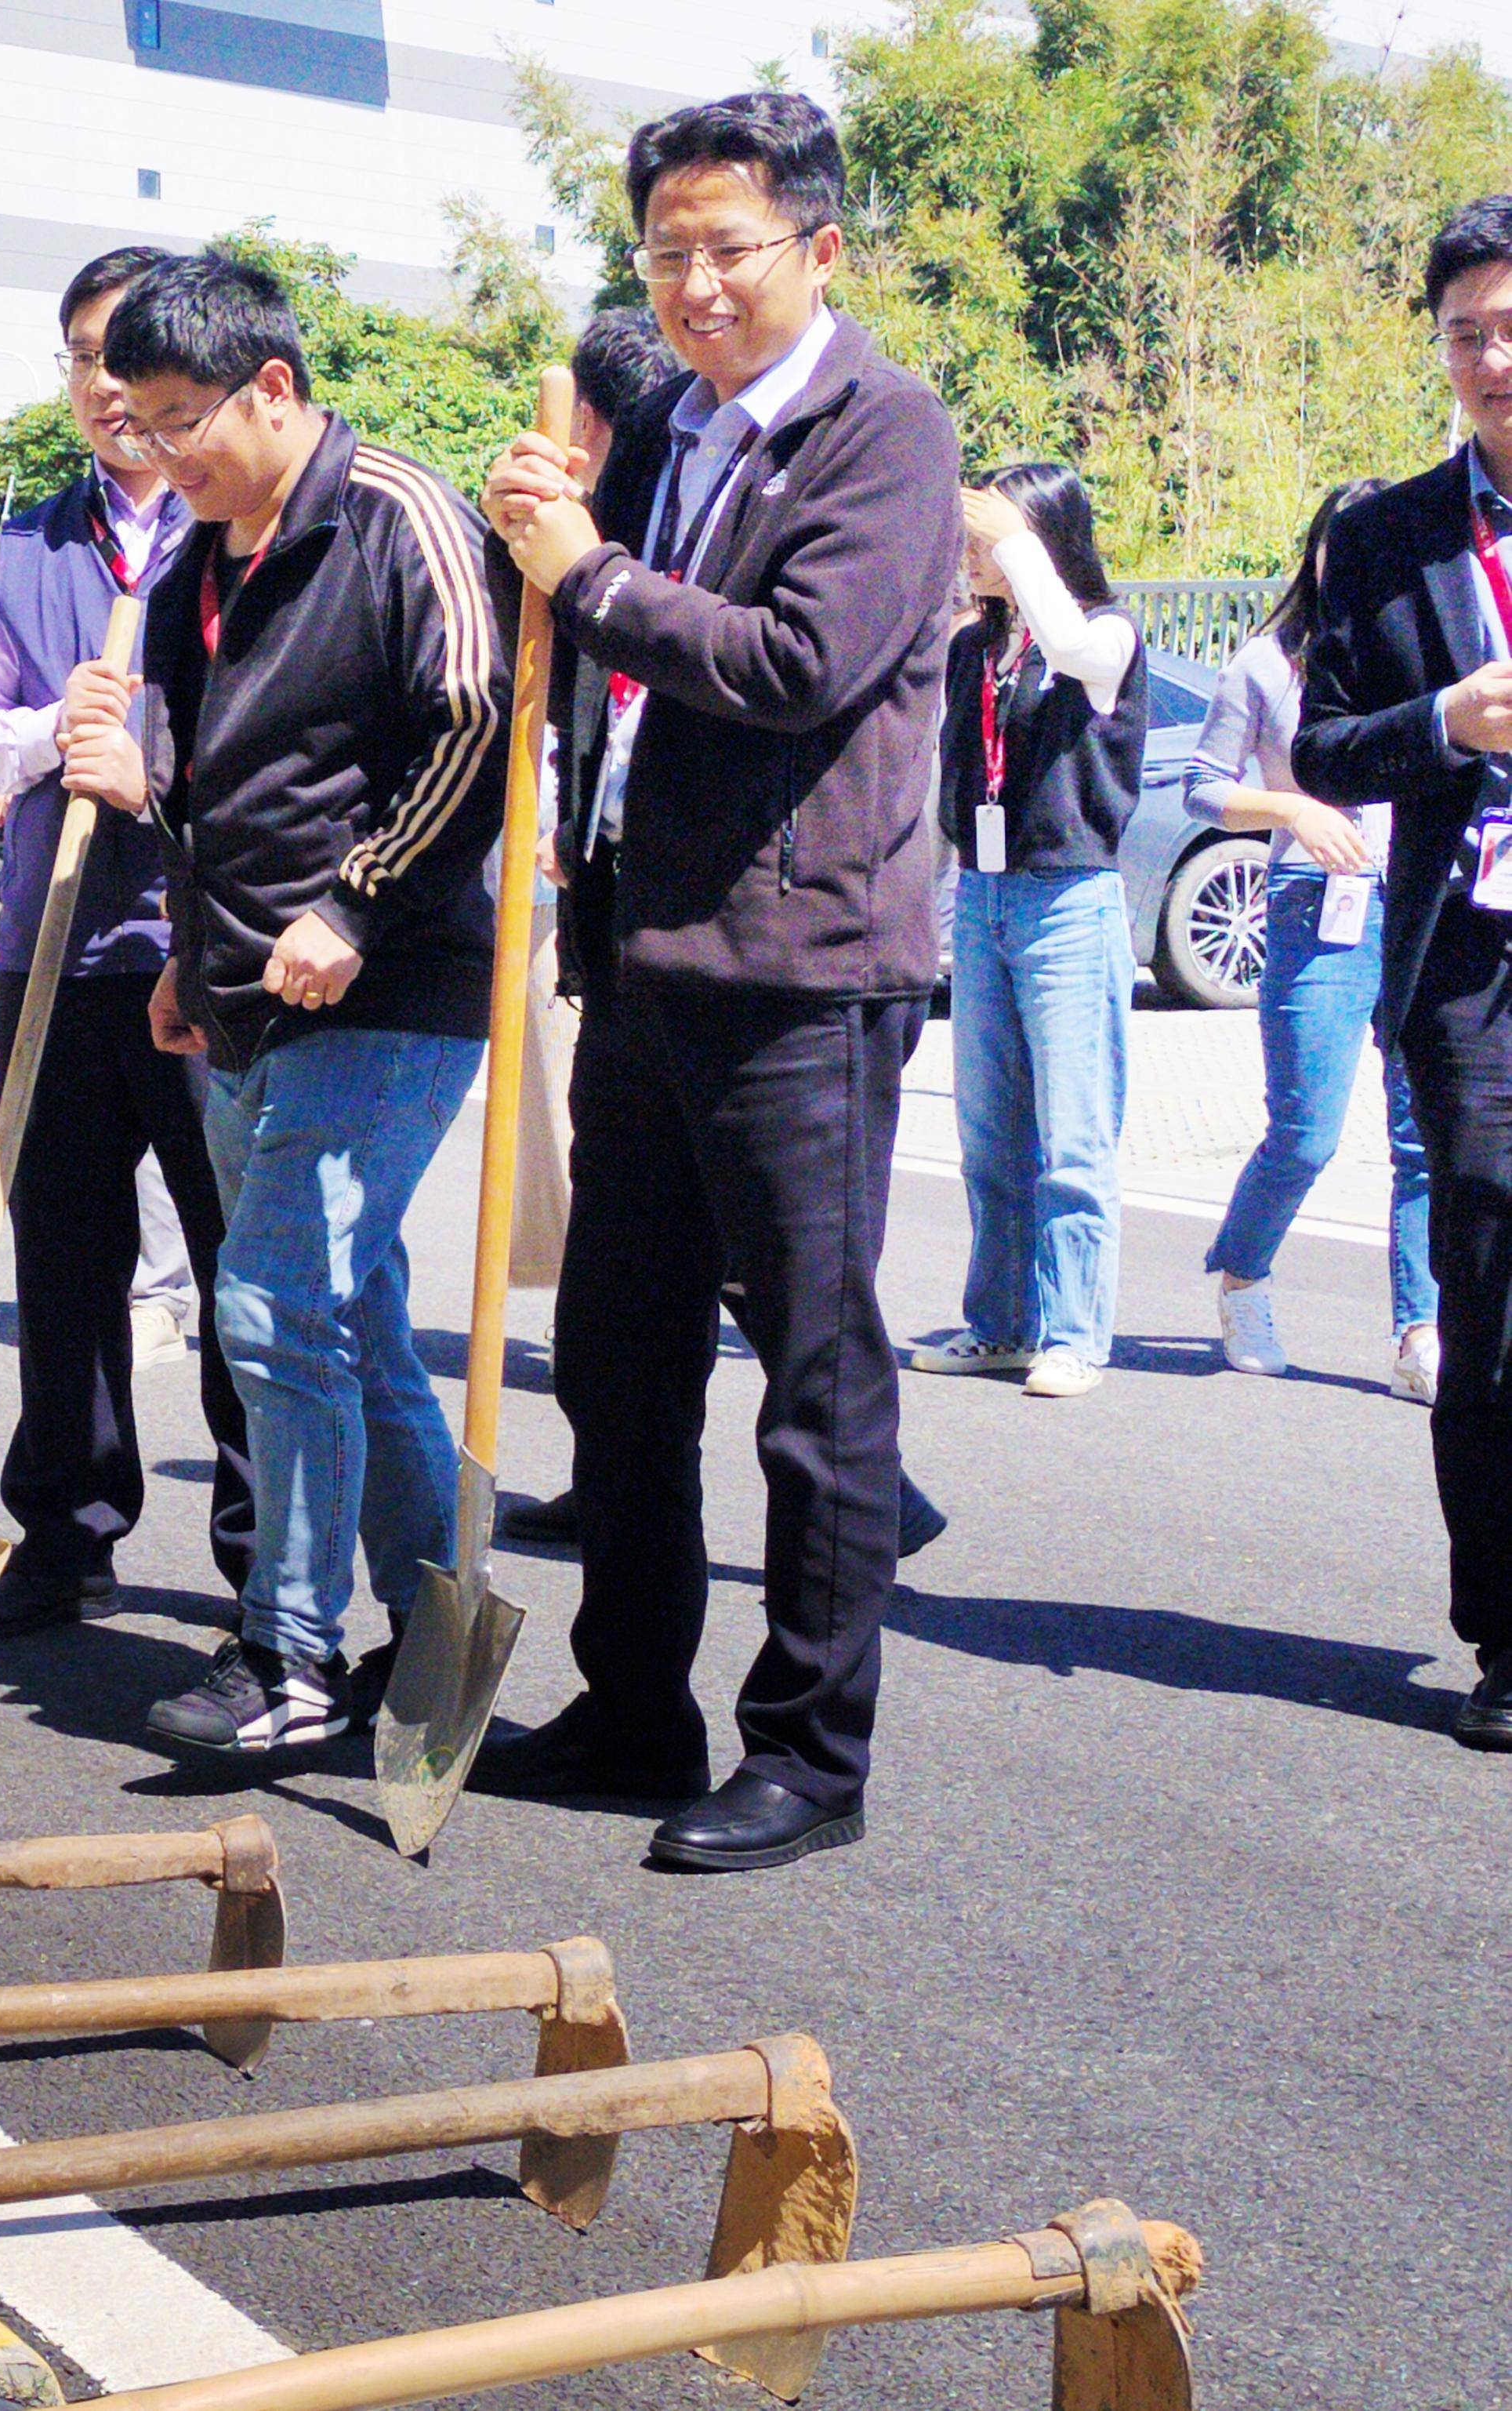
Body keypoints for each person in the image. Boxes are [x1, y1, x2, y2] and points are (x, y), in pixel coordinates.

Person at [477, 91, 963, 1869]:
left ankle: (806, 1754)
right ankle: (628, 1704)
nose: (690, 284)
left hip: (800, 971)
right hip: (645, 962)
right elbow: (581, 625)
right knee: (612, 1362)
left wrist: (580, 568)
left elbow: (788, 658)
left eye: (725, 250)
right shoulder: (670, 427)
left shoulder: (879, 431)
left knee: (815, 1386)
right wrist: (541, 530)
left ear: (816, 252)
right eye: (661, 251)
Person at [59, 250, 511, 1757]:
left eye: (184, 419)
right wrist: (189, 938)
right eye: (136, 422)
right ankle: (434, 1633)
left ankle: (291, 1654)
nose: (160, 452)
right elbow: (237, 792)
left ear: (273, 386)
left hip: (391, 992)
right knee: (351, 1326)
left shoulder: (398, 514)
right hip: (243, 995)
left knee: (269, 1303)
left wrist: (357, 902)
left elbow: (470, 727)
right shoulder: (197, 565)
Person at [0, 244, 256, 1641]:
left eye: (131, 358)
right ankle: (64, 1532)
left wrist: (147, 756)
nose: (110, 389)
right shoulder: (20, 547)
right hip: (52, 954)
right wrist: (47, 732)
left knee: (242, 1266)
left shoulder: (239, 526)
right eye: (84, 359)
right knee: (63, 1265)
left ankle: (268, 1567)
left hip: (202, 949)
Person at [1290, 190, 1512, 1756]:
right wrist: (1445, 722)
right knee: (1491, 1296)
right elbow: (1317, 742)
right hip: (1475, 967)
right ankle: (1504, 1628)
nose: (1491, 357)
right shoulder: (1385, 538)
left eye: (1510, 329)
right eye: (1465, 335)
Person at [907, 462, 1144, 1400]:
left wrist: (1015, 546)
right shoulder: (977, 651)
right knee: (988, 1134)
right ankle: (999, 1324)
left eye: (990, 539)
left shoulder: (1104, 634)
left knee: (1074, 1138)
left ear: (1041, 538)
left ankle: (1076, 1334)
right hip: (986, 897)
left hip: (1070, 905)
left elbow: (1079, 648)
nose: (973, 555)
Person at [1197, 480, 1438, 1400]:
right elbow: (1204, 785)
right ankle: (1243, 1279)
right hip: (1314, 899)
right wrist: (1294, 804)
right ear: (1320, 554)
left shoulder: (1420, 653)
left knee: (1423, 1133)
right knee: (1306, 1131)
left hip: (1419, 897)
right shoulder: (1266, 663)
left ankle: (1419, 1327)